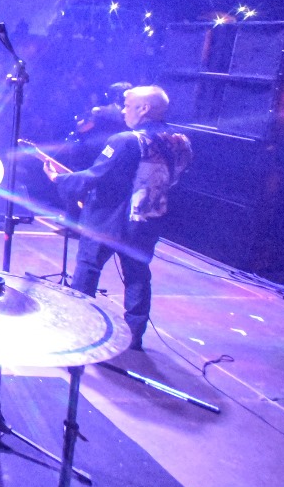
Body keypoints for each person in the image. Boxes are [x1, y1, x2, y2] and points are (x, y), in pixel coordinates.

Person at [43, 85, 192, 350]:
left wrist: (59, 179)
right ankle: (134, 336)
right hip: (147, 219)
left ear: (144, 109)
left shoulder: (125, 140)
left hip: (108, 219)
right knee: (137, 276)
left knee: (88, 268)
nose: (123, 111)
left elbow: (96, 175)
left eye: (128, 105)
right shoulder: (180, 141)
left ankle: (79, 325)